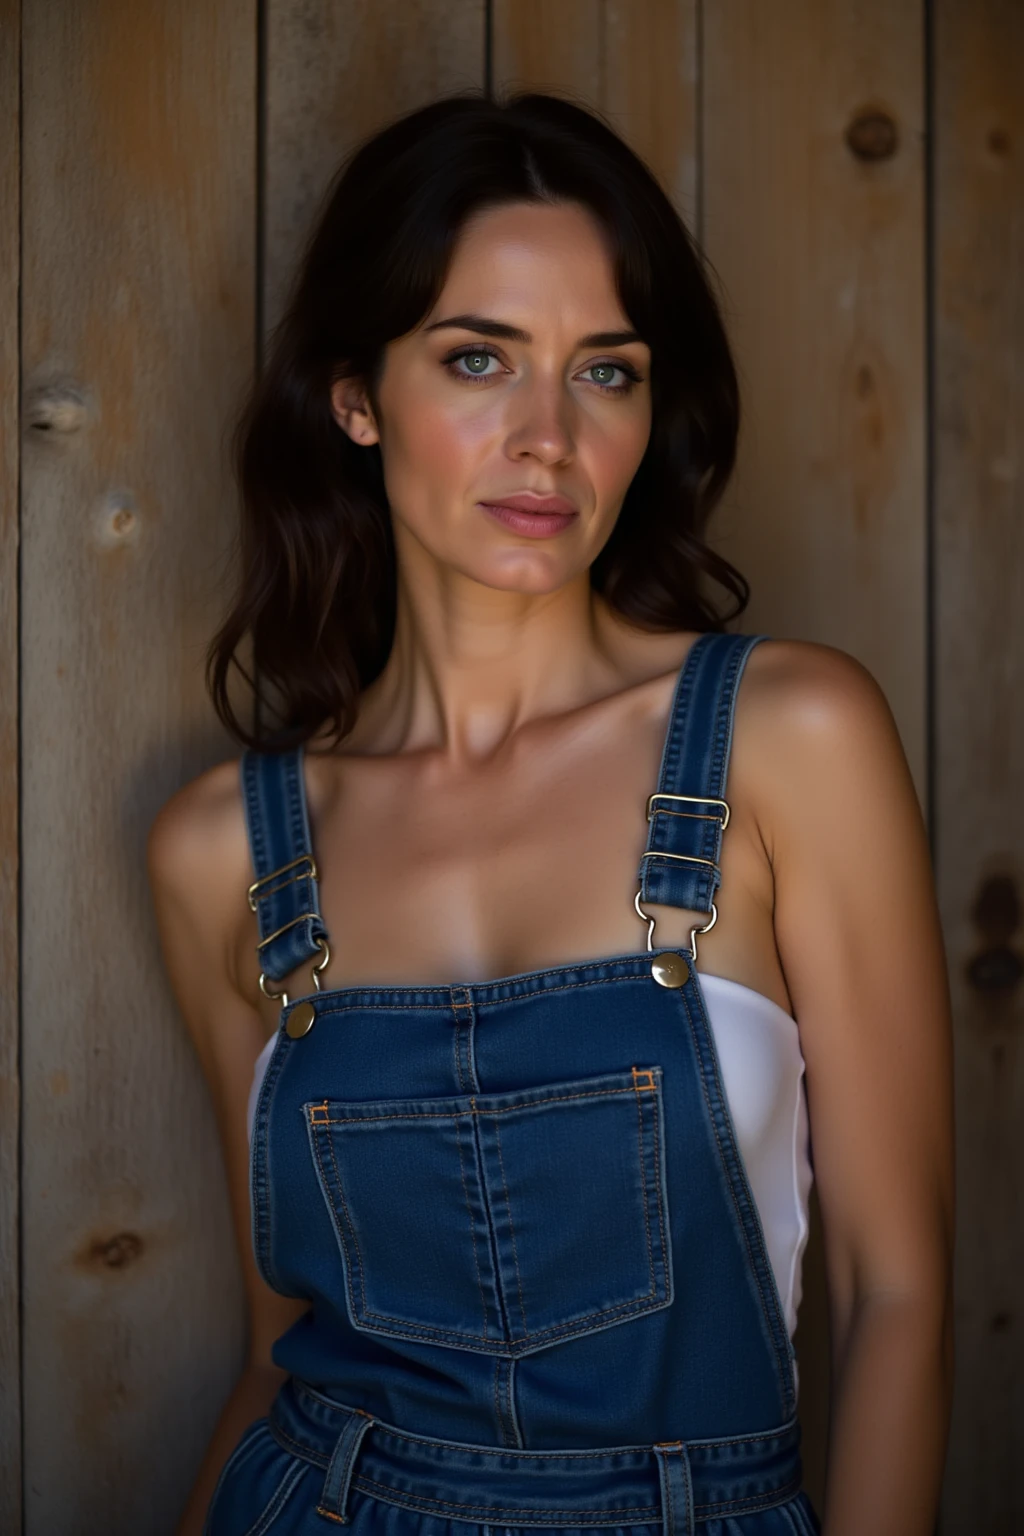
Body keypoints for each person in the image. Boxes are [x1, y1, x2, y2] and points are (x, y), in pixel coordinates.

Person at [148, 91, 953, 1536]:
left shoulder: (790, 738)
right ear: (355, 396)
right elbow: (277, 1349)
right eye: (479, 359)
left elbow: (895, 1291)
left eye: (606, 372)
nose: (548, 437)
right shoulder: (225, 850)